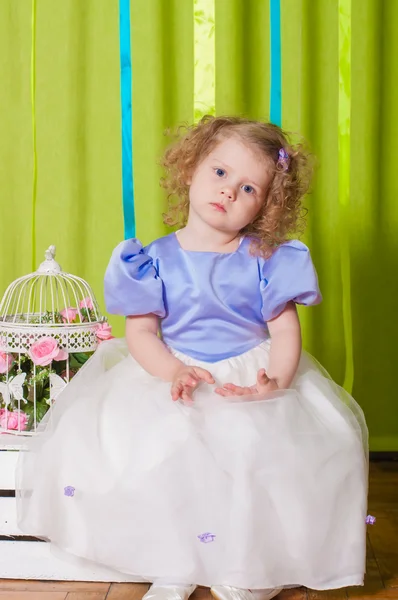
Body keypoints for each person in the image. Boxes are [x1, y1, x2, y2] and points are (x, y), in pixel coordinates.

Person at [17, 116, 368, 600]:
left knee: (250, 460)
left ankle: (243, 565)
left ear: (266, 205)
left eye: (248, 188)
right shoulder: (151, 259)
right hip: (176, 371)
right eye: (220, 173)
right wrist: (173, 371)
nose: (228, 192)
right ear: (190, 170)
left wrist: (276, 383)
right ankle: (173, 561)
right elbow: (140, 333)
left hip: (247, 370)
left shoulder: (268, 259)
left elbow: (285, 330)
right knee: (158, 454)